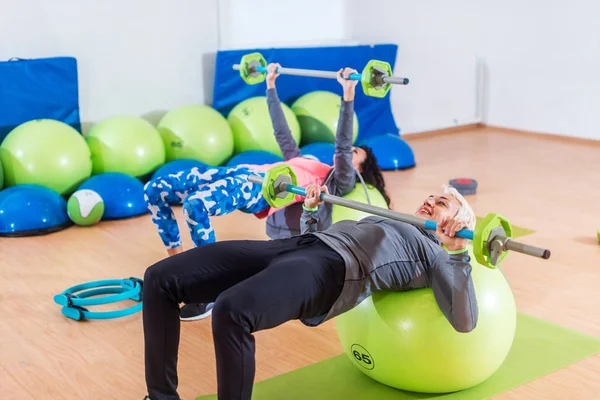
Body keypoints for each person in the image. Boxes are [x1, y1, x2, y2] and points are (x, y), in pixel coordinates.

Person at [140, 183, 479, 400]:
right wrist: (312, 212)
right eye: (431, 196)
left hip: (331, 272)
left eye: (442, 202)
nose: (430, 201)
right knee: (158, 278)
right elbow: (325, 238)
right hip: (296, 246)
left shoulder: (435, 253)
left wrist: (459, 250)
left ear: (457, 222)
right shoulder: (389, 219)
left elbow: (465, 321)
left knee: (231, 310)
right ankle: (160, 397)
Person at [143, 63, 389, 321]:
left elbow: (342, 145)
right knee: (154, 190)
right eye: (352, 150)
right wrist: (270, 85)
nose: (350, 153)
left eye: (355, 154)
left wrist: (348, 95)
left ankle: (208, 291)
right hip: (239, 171)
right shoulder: (308, 161)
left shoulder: (339, 179)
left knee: (195, 205)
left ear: (360, 168)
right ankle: (176, 265)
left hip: (258, 188)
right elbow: (283, 134)